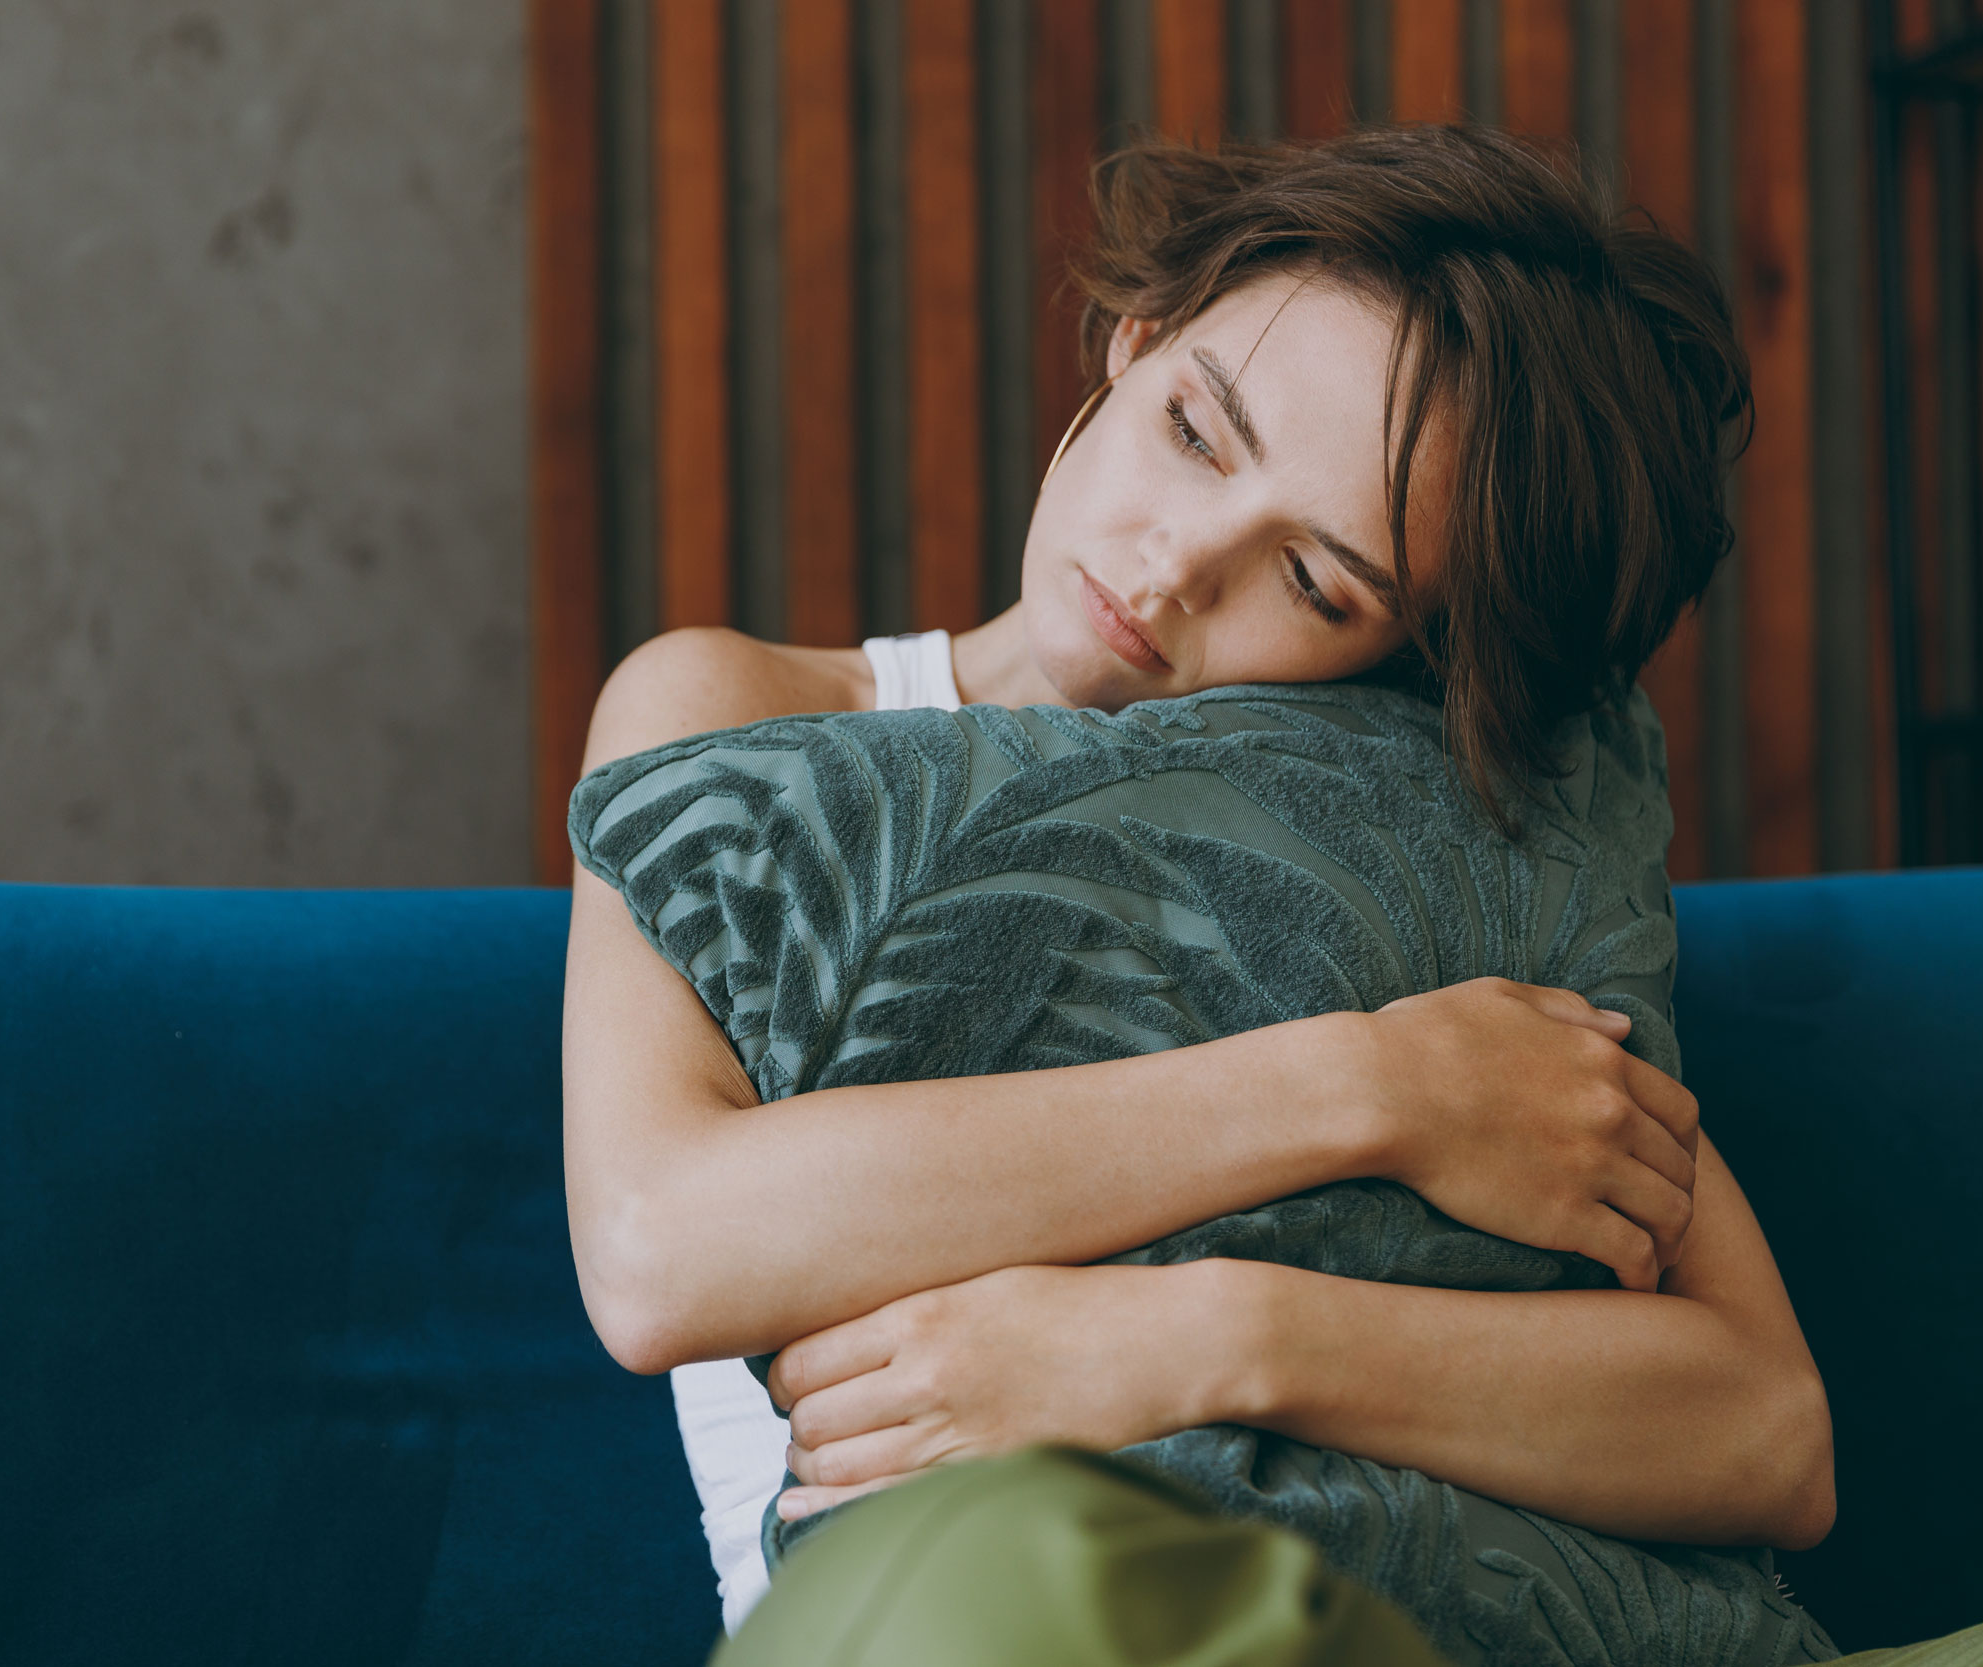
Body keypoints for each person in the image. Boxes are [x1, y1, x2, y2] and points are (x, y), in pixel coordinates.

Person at [563, 125, 1831, 1648]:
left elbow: (1769, 1435)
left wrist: (1206, 1336)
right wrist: (1369, 1089)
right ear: (1133, 343)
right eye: (1196, 433)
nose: (1177, 567)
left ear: (1398, 652)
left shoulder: (1408, 846)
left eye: (1315, 582)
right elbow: (656, 1248)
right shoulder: (743, 717)